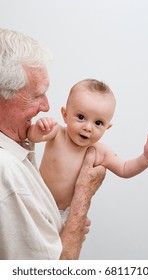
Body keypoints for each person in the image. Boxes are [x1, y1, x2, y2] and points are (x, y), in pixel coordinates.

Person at [0, 28, 106, 260]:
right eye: (37, 95)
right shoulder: (6, 173)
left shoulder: (17, 148)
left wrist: (66, 226)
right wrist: (82, 197)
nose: (46, 106)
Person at [27, 79, 148, 222]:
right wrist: (40, 128)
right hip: (38, 201)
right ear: (65, 115)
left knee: (59, 244)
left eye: (98, 123)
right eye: (81, 117)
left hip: (65, 215)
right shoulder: (56, 133)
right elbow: (31, 136)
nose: (88, 127)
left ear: (107, 127)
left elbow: (124, 169)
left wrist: (146, 158)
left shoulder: (100, 152)